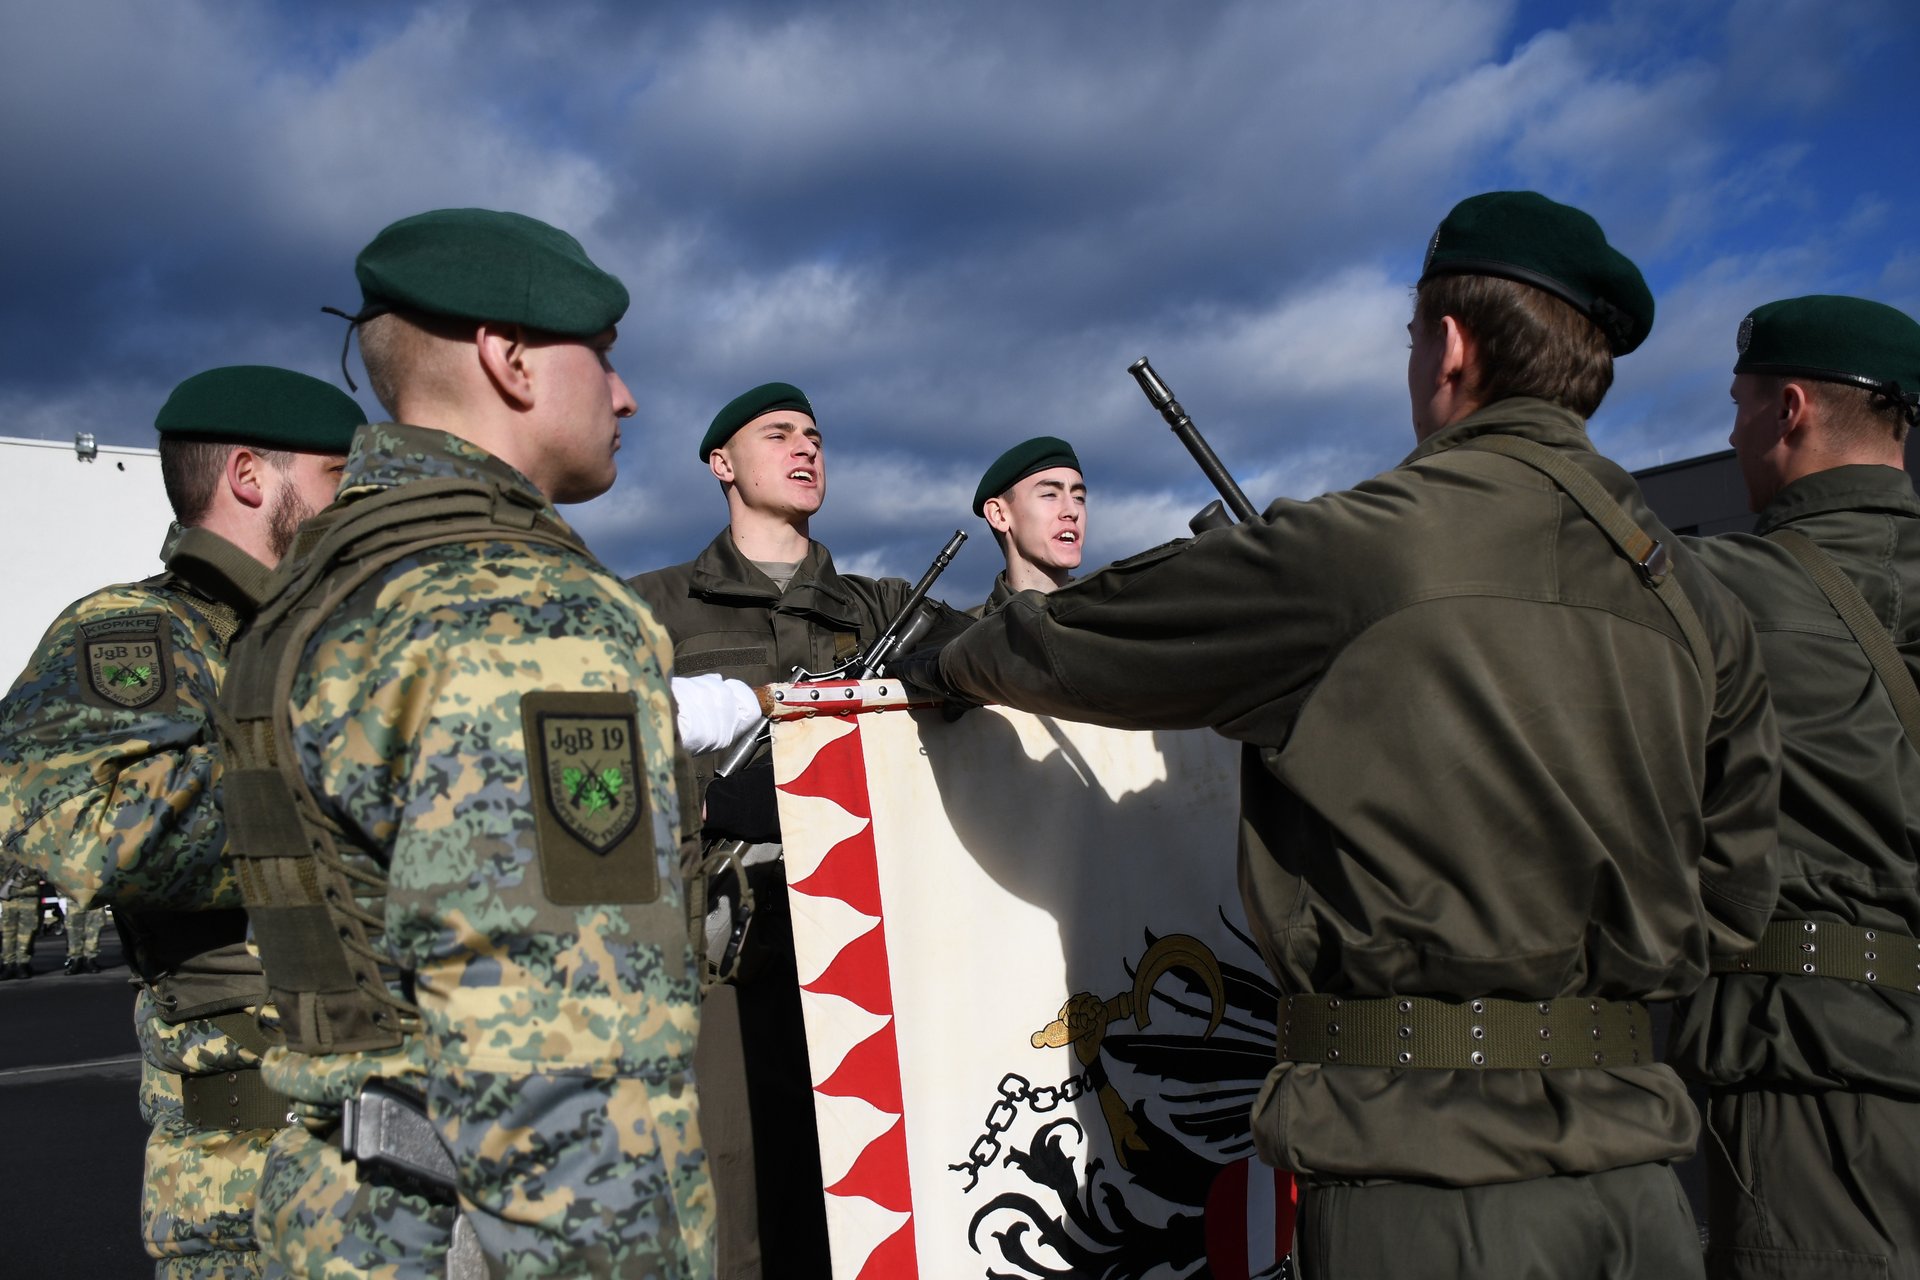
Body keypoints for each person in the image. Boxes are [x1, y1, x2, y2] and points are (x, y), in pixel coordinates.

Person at [903, 191, 1782, 1279]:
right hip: (1642, 1181)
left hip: (1429, 1183)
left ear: (1451, 346)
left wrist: (944, 661)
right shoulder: (1698, 599)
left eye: (1414, 337)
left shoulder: (1362, 552)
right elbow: (1738, 896)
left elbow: (1085, 641)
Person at [215, 207, 711, 1279]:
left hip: (339, 1214)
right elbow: (562, 1071)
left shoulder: (317, 588)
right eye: (607, 359)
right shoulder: (523, 610)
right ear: (512, 357)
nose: (625, 396)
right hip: (467, 1232)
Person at [0, 364, 361, 1275]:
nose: (356, 508)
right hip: (250, 1170)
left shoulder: (333, 639)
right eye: (336, 481)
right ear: (251, 477)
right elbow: (89, 827)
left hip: (396, 1128)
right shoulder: (141, 634)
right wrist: (350, 766)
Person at [630, 381, 960, 1280]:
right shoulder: (652, 608)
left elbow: (1004, 655)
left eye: (815, 434)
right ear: (722, 464)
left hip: (871, 951)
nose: (806, 447)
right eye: (778, 434)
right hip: (722, 959)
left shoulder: (879, 607)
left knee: (880, 1189)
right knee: (735, 1202)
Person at [1668, 295, 1920, 1278]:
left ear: (1792, 410)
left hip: (1818, 1083)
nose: (1731, 433)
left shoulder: (1721, 592)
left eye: (1738, 406)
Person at [971, 435, 1085, 614]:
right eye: (1050, 494)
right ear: (999, 515)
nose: (1073, 511)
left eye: (1079, 498)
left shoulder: (1115, 626)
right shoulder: (964, 637)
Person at [0, 859, 39, 979]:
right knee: (8, 932)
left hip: (29, 896)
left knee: (27, 932)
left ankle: (22, 963)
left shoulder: (33, 851)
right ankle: (8, 963)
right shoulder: (3, 851)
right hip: (9, 898)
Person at [61, 901, 106, 974]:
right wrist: (61, 897)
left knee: (94, 928)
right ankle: (76, 959)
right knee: (73, 929)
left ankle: (90, 959)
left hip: (95, 897)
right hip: (74, 897)